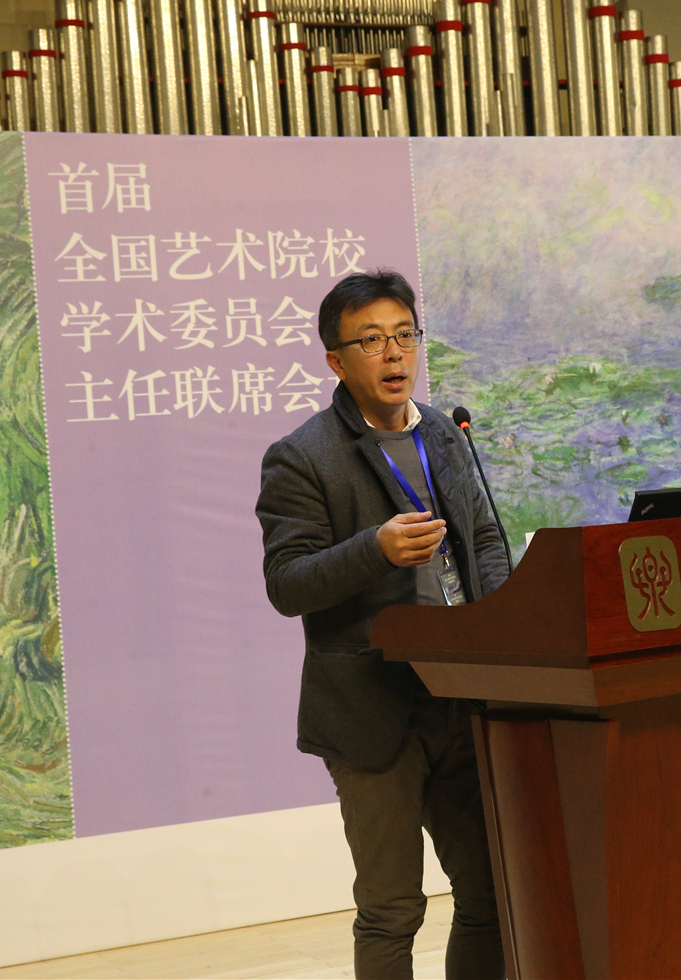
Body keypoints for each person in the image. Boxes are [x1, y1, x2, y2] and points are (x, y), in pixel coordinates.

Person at [255, 269, 510, 980]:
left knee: (490, 891)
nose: (394, 354)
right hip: (370, 709)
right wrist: (375, 549)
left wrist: (501, 622)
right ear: (336, 361)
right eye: (371, 341)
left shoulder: (444, 433)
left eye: (404, 336)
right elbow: (287, 584)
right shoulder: (302, 457)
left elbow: (483, 539)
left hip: (459, 696)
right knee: (393, 908)